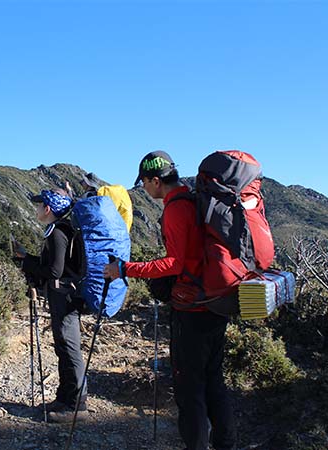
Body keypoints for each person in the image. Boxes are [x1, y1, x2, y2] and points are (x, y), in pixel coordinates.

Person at [103, 151, 236, 450]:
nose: (145, 190)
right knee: (214, 382)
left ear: (155, 180)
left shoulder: (176, 209)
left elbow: (174, 264)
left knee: (190, 392)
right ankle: (227, 444)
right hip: (215, 302)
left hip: (192, 310)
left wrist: (125, 269)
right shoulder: (193, 199)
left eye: (145, 184)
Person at [13, 189, 88, 423]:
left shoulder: (57, 233)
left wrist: (27, 263)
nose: (36, 209)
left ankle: (77, 406)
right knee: (64, 347)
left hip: (64, 298)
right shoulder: (60, 230)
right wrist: (27, 259)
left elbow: (54, 271)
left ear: (48, 209)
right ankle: (65, 399)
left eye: (39, 205)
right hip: (64, 295)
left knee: (69, 347)